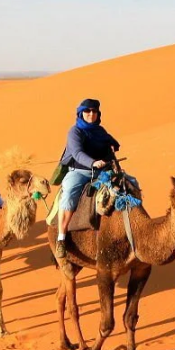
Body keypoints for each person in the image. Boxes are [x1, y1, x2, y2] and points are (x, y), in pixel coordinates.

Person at [55, 98, 120, 258]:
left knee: (127, 185)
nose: (91, 114)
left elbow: (106, 140)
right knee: (69, 192)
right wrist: (93, 162)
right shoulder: (75, 132)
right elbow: (77, 153)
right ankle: (61, 237)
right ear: (80, 113)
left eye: (94, 111)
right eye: (87, 111)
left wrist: (113, 143)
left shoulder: (100, 131)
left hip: (101, 172)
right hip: (79, 171)